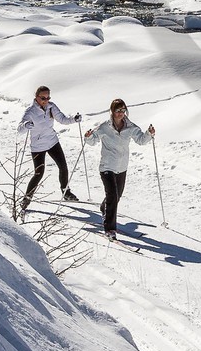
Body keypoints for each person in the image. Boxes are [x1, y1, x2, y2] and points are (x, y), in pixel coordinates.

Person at [83, 99, 156, 241]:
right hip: (107, 167)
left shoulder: (130, 127)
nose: (121, 113)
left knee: (117, 196)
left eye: (123, 110)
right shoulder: (104, 127)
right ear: (112, 111)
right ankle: (110, 228)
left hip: (121, 167)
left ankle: (104, 207)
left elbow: (141, 140)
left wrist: (149, 133)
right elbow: (93, 141)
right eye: (118, 111)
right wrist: (88, 137)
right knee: (112, 196)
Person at [18, 85, 81, 216]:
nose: (46, 100)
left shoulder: (51, 107)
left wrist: (74, 119)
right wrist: (25, 125)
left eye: (48, 97)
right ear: (36, 97)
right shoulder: (30, 112)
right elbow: (19, 130)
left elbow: (63, 119)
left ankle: (66, 192)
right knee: (39, 174)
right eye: (43, 98)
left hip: (52, 141)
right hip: (38, 146)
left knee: (63, 167)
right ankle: (26, 200)